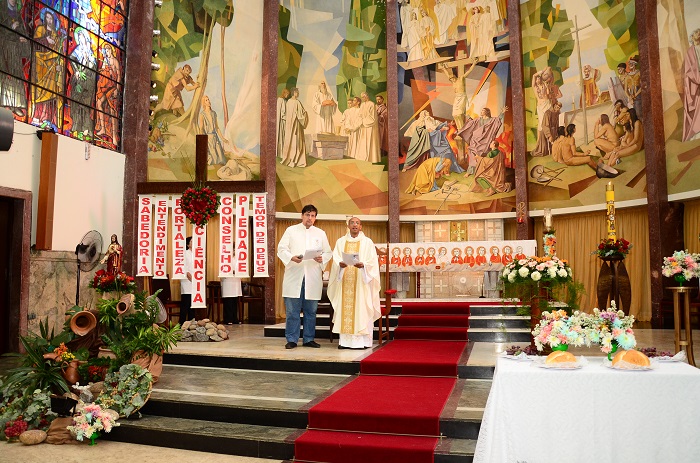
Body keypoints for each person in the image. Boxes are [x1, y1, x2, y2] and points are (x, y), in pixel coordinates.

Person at [276, 205, 332, 349]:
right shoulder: (291, 230)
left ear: (315, 218)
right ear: (302, 216)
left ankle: (308, 339)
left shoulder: (320, 233)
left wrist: (322, 258)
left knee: (311, 311)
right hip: (294, 275)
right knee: (292, 311)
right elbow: (281, 249)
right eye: (307, 215)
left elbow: (328, 252)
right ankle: (292, 339)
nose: (310, 218)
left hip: (312, 277)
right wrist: (291, 257)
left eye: (313, 216)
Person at [327, 217, 381, 350]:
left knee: (361, 309)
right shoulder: (340, 242)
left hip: (362, 282)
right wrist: (340, 265)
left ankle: (362, 342)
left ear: (361, 226)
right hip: (345, 281)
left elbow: (373, 262)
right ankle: (345, 342)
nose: (354, 225)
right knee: (345, 310)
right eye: (352, 223)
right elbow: (336, 259)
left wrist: (364, 265)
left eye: (357, 223)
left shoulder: (367, 242)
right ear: (348, 226)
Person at [0, 0, 30, 118]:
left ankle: (16, 104)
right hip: (3, 47)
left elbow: (22, 30)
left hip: (15, 49)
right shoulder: (2, 10)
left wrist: (23, 38)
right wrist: (11, 28)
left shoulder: (17, 13)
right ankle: (2, 102)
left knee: (16, 74)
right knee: (3, 73)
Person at [457, 106, 508, 173]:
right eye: (481, 111)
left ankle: (481, 170)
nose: (481, 112)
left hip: (485, 140)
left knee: (483, 153)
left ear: (487, 112)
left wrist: (502, 113)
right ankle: (471, 171)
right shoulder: (478, 120)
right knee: (472, 152)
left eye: (483, 111)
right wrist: (467, 118)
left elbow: (497, 120)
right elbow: (471, 123)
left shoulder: (491, 120)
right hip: (475, 139)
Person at [280, 88, 309, 168]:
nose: (298, 94)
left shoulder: (288, 102)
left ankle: (289, 159)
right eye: (297, 92)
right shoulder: (297, 102)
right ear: (294, 93)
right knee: (296, 142)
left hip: (289, 126)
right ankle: (296, 160)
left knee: (291, 140)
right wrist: (305, 114)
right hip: (296, 125)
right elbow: (301, 115)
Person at [198, 95, 228, 165]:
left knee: (221, 159)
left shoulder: (214, 113)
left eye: (208, 99)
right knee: (213, 158)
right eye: (206, 100)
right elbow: (201, 128)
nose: (208, 101)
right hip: (208, 138)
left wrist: (222, 138)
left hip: (215, 137)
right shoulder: (202, 114)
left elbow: (217, 127)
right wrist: (201, 139)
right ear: (204, 103)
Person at [683, 28, 700, 142]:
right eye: (697, 33)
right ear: (692, 37)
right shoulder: (690, 51)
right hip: (695, 84)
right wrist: (697, 78)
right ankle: (697, 131)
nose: (699, 34)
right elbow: (689, 69)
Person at [358, 92, 381, 163]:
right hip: (363, 126)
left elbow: (372, 117)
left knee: (370, 142)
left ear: (367, 96)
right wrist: (361, 120)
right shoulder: (362, 105)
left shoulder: (372, 104)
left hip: (370, 126)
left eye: (363, 97)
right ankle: (362, 157)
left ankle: (372, 158)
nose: (363, 98)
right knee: (363, 142)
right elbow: (360, 114)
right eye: (362, 97)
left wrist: (364, 121)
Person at [179, 237, 194, 325]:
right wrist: (188, 275)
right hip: (186, 280)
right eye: (191, 241)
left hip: (195, 281)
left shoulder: (198, 254)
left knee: (193, 303)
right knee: (186, 302)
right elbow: (183, 266)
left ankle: (192, 323)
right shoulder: (185, 253)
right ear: (188, 244)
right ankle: (182, 323)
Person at [276, 88, 290, 157]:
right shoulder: (280, 100)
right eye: (287, 94)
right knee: (281, 136)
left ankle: (283, 153)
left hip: (284, 121)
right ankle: (280, 153)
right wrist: (286, 118)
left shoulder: (284, 100)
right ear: (284, 93)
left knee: (284, 137)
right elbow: (281, 113)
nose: (287, 95)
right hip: (281, 122)